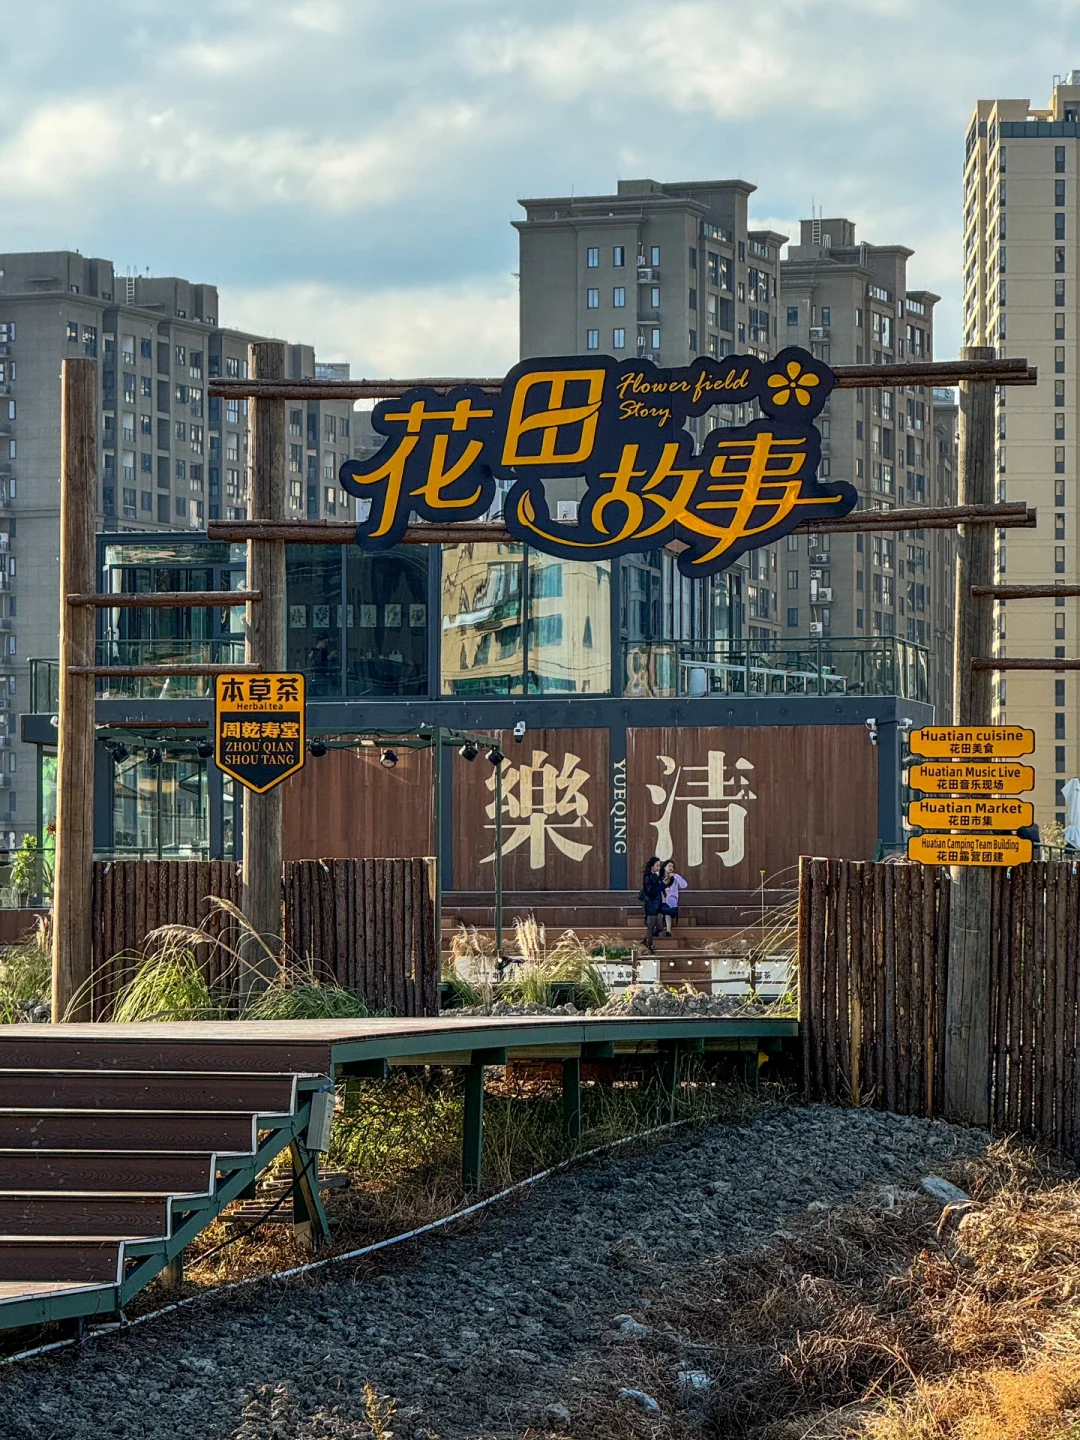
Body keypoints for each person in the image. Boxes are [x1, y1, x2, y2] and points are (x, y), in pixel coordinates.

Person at [639, 856, 665, 953]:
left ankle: (646, 940)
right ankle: (649, 946)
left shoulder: (655, 876)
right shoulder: (648, 877)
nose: (659, 867)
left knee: (660, 926)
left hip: (658, 903)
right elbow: (651, 892)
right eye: (657, 865)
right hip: (651, 904)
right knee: (651, 926)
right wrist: (662, 885)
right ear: (652, 866)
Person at [661, 860, 688, 937]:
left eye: (672, 866)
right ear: (664, 867)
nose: (671, 868)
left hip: (671, 903)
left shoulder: (675, 878)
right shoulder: (659, 877)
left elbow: (684, 885)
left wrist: (676, 876)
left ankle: (668, 931)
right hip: (660, 901)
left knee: (667, 912)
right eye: (669, 866)